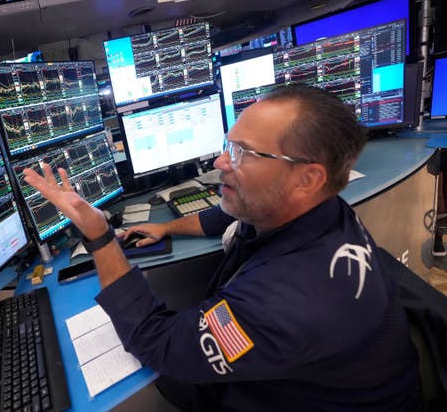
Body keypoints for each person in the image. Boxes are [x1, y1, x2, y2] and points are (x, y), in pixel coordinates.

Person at [23, 83, 421, 411]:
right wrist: (168, 228)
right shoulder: (324, 209)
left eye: (243, 153)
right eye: (229, 146)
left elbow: (156, 342)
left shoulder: (284, 303)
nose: (220, 162)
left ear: (307, 179)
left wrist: (100, 235)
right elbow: (230, 216)